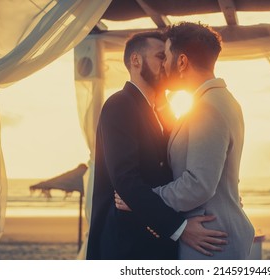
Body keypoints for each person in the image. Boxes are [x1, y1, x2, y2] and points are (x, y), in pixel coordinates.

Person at [116, 22, 255, 259]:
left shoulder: (206, 108)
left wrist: (144, 200)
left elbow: (198, 184)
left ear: (181, 61)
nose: (163, 65)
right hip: (216, 232)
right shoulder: (221, 101)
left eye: (166, 56)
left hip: (210, 240)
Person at [86, 31, 227, 260]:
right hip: (126, 246)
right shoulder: (120, 104)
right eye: (160, 56)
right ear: (136, 60)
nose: (167, 63)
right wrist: (181, 229)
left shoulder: (157, 109)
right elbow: (126, 182)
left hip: (152, 244)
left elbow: (181, 161)